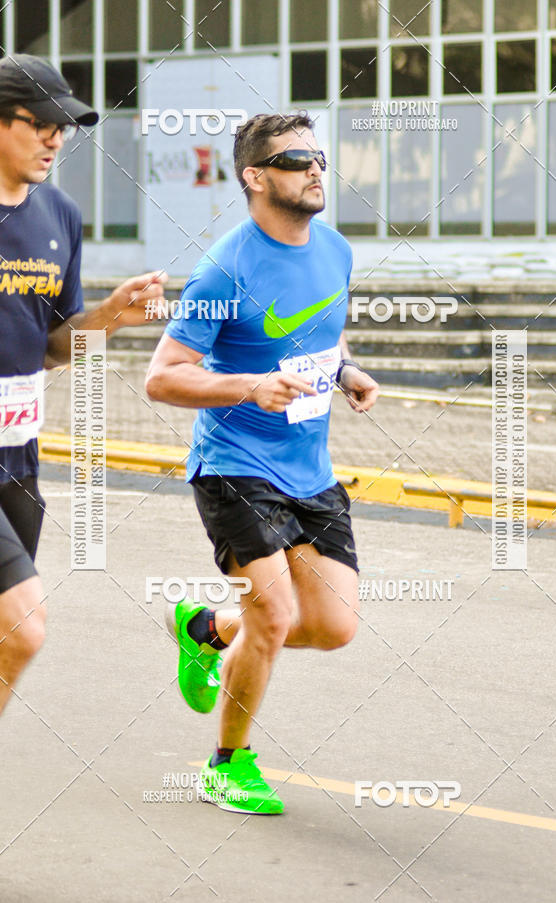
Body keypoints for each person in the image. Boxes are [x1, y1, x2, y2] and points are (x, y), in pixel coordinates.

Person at [145, 112, 378, 815]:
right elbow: (163, 376)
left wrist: (346, 371)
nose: (315, 170)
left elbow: (312, 336)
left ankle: (205, 629)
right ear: (254, 176)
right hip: (234, 463)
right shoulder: (225, 268)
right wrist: (247, 387)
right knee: (272, 613)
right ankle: (227, 762)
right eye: (295, 159)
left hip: (309, 467)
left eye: (318, 158)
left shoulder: (335, 250)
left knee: (335, 625)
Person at [0, 54, 167, 715]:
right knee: (25, 623)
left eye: (63, 126)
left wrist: (110, 318)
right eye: (39, 122)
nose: (54, 138)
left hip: (19, 458)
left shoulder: (60, 216)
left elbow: (50, 347)